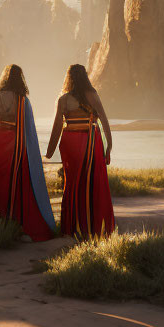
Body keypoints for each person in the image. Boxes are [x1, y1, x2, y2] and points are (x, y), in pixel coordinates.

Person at [0, 64, 55, 241]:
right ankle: (17, 223)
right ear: (20, 79)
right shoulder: (23, 100)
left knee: (0, 184)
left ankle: (3, 221)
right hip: (17, 144)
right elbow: (29, 130)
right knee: (17, 183)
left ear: (4, 78)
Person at [45, 65, 115, 238]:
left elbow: (57, 127)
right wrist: (109, 147)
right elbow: (104, 122)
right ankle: (92, 227)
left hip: (70, 142)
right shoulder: (93, 96)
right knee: (92, 182)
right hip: (91, 141)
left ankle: (72, 226)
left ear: (69, 78)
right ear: (85, 77)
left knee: (72, 183)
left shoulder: (63, 99)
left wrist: (49, 151)